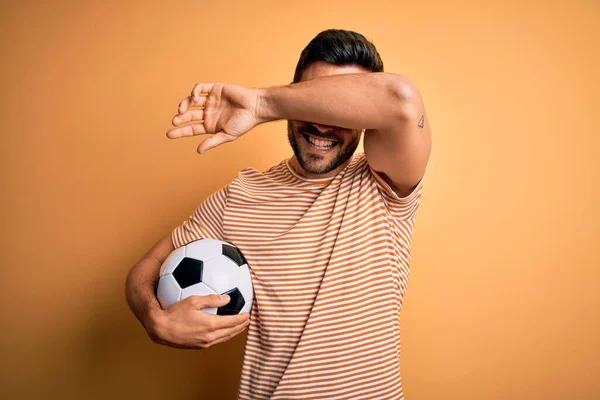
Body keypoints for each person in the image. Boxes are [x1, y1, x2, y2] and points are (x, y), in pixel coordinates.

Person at [125, 29, 431, 399]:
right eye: (312, 103)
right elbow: (145, 268)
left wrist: (260, 104)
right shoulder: (240, 195)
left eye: (337, 106)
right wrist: (152, 317)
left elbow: (400, 99)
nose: (322, 123)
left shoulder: (386, 180)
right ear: (294, 97)